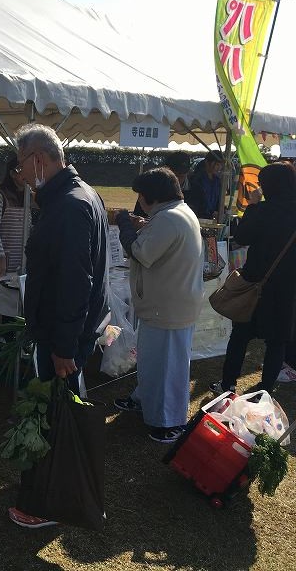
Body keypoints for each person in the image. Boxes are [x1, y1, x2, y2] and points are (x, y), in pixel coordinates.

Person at [8, 123, 109, 529]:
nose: (20, 176)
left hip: (64, 336)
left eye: (20, 166)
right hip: (69, 331)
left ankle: (48, 502)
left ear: (37, 159)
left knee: (52, 417)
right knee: (56, 412)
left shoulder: (69, 204)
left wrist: (64, 345)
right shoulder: (81, 194)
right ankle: (53, 493)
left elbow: (74, 282)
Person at [113, 168, 204, 443]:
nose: (139, 201)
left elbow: (140, 251)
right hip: (170, 304)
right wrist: (141, 225)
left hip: (167, 307)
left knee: (168, 367)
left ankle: (169, 423)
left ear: (151, 196)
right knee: (154, 361)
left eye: (141, 195)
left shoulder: (170, 219)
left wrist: (124, 225)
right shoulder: (176, 213)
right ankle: (144, 398)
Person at [210, 162, 296, 395]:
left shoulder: (263, 210)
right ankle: (265, 390)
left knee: (240, 335)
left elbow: (243, 235)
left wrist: (254, 205)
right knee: (277, 341)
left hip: (256, 283)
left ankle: (228, 384)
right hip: (287, 288)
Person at [0, 154, 30, 277]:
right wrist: (0, 257)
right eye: (21, 170)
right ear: (12, 174)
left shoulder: (28, 198)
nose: (26, 174)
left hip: (19, 260)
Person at [190, 150, 224, 219]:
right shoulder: (197, 179)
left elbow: (219, 200)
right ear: (207, 162)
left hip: (212, 219)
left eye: (220, 165)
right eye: (217, 164)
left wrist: (219, 211)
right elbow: (195, 203)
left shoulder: (217, 181)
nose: (219, 168)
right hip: (198, 218)